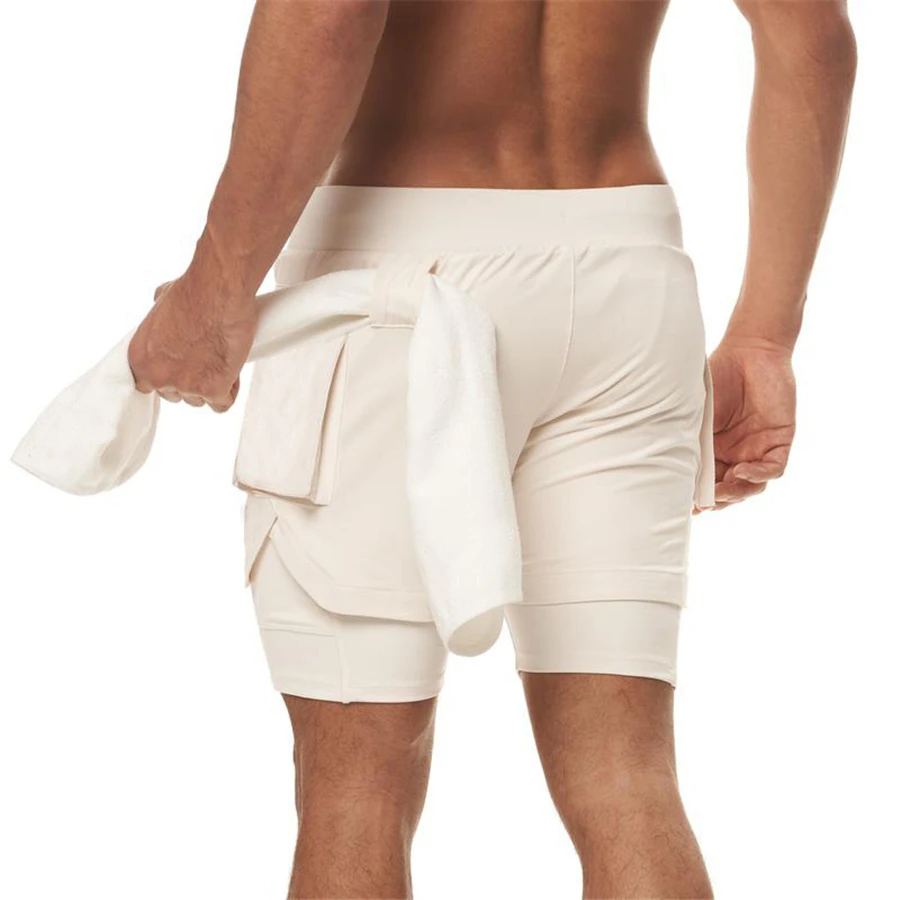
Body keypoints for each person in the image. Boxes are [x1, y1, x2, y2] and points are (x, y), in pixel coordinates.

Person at [127, 2, 857, 897]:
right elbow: (810, 35)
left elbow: (331, 12)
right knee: (625, 777)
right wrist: (766, 337)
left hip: (396, 281)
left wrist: (215, 287)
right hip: (628, 273)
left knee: (356, 785)